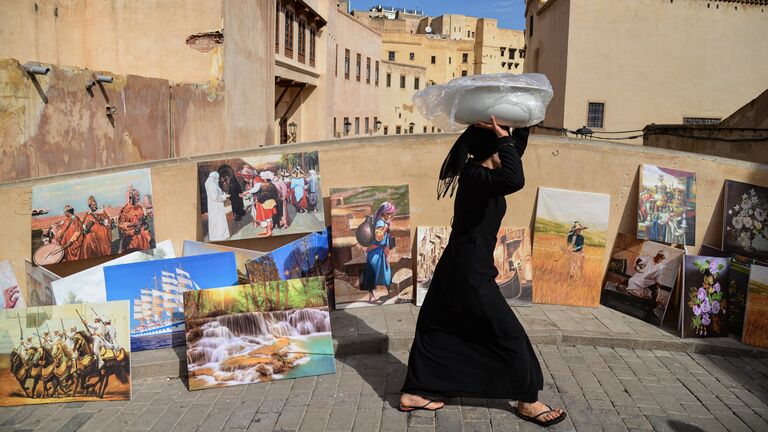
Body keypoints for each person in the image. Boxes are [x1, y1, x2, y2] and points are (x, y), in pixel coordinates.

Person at [400, 117, 566, 427]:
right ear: (492, 149)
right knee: (510, 334)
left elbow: (515, 153)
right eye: (504, 145)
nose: (511, 150)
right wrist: (504, 138)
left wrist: (526, 123)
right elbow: (516, 179)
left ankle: (414, 392)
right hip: (470, 271)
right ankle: (528, 401)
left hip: (457, 263)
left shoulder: (488, 170)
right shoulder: (476, 176)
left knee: (436, 326)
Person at [361, 202, 397, 303]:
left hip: (381, 251)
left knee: (385, 272)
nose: (391, 216)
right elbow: (378, 237)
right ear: (384, 213)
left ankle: (389, 291)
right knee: (372, 273)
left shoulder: (382, 222)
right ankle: (371, 295)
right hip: (375, 252)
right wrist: (387, 225)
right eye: (390, 213)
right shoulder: (380, 223)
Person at [118, 186, 152, 252]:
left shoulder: (139, 207)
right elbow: (121, 225)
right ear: (131, 197)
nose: (139, 197)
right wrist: (132, 224)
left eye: (139, 195)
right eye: (137, 196)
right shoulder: (125, 210)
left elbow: (143, 222)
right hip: (131, 241)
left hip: (143, 238)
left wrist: (145, 226)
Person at [204, 172, 231, 241]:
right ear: (214, 178)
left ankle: (220, 235)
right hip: (216, 207)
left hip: (215, 207)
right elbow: (215, 197)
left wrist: (223, 193)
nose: (218, 180)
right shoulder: (212, 184)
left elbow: (218, 191)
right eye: (217, 178)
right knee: (218, 221)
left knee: (217, 221)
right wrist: (224, 197)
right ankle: (220, 236)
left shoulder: (211, 182)